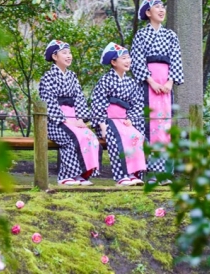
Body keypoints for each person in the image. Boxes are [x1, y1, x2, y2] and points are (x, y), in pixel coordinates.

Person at [130, 0, 184, 181]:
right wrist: (151, 82)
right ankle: (151, 172)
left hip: (166, 85)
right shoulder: (141, 36)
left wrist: (170, 82)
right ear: (148, 13)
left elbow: (176, 60)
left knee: (165, 126)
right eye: (157, 7)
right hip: (148, 84)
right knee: (149, 125)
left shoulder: (170, 35)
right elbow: (137, 61)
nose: (161, 10)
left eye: (163, 7)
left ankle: (165, 172)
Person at [38, 40, 99, 186]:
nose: (69, 56)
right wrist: (66, 120)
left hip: (73, 118)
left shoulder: (72, 77)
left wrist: (80, 119)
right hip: (55, 122)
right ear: (54, 56)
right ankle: (65, 176)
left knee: (90, 136)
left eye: (69, 53)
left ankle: (81, 175)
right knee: (72, 138)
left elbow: (79, 99)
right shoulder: (48, 77)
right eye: (64, 53)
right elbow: (49, 102)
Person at [90, 42, 146, 186]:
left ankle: (134, 173)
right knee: (118, 137)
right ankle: (121, 176)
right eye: (124, 58)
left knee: (136, 136)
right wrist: (102, 126)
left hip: (125, 120)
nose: (128, 61)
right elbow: (98, 104)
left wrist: (131, 119)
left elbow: (137, 104)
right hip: (108, 120)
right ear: (114, 62)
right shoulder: (105, 80)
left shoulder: (131, 83)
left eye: (128, 58)